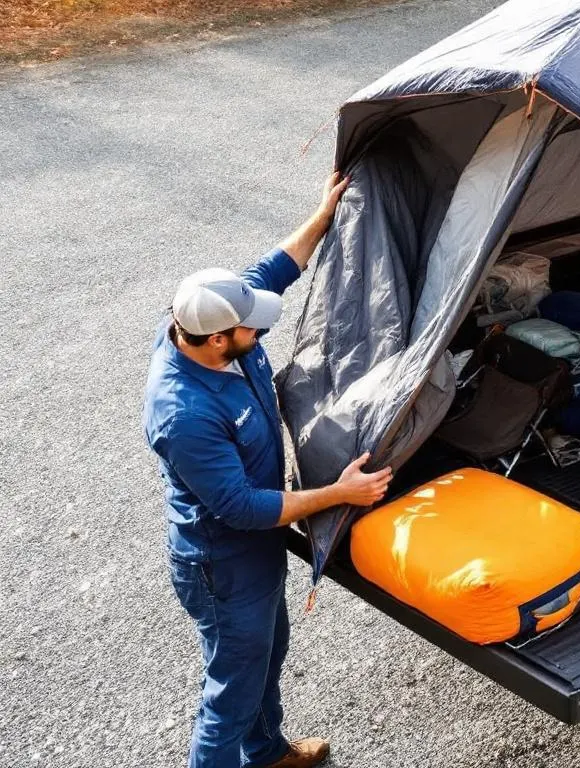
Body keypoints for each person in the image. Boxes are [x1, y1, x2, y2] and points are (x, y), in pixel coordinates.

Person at [143, 172, 391, 768]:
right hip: (221, 561)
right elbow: (244, 507)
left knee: (267, 654)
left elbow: (276, 266)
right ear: (215, 339)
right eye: (252, 327)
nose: (263, 330)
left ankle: (268, 752)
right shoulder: (184, 414)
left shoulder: (208, 323)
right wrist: (340, 492)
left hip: (255, 552)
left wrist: (324, 211)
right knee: (231, 689)